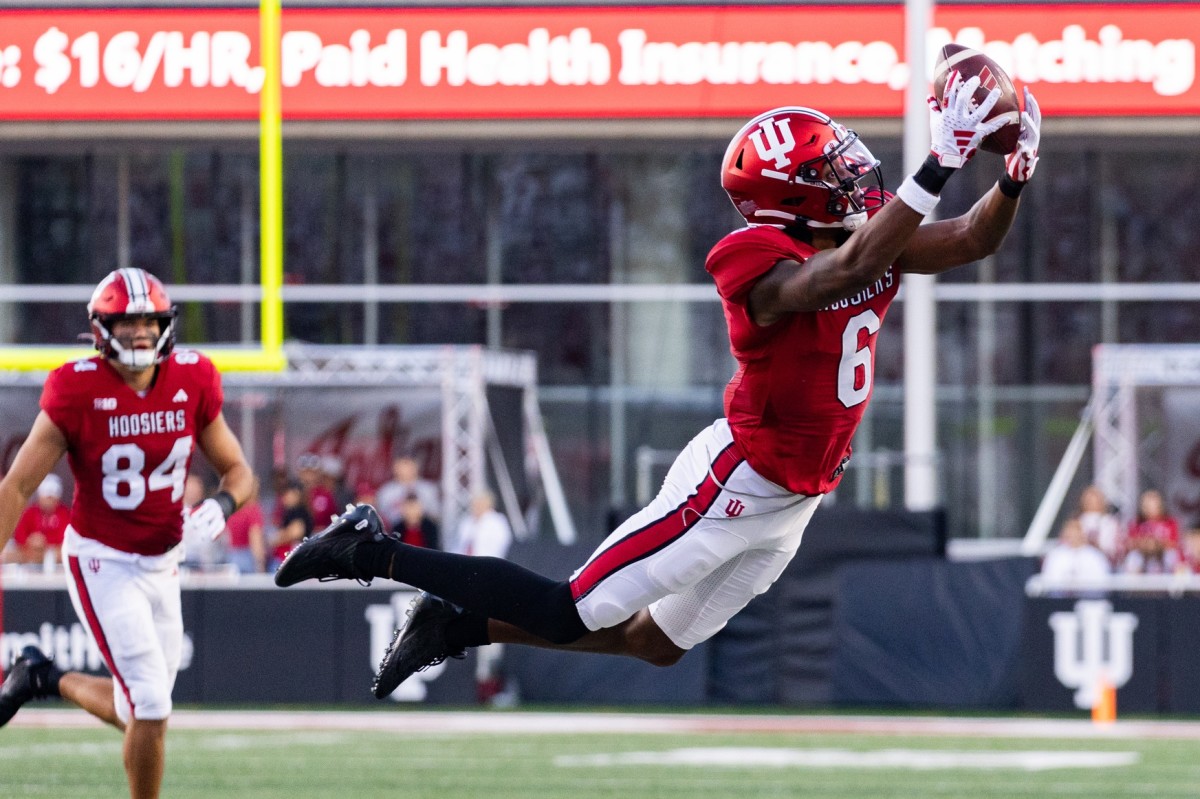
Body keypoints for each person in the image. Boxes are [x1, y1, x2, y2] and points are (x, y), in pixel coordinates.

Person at [276, 75, 1040, 700]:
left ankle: (456, 626)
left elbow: (972, 236)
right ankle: (372, 549)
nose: (851, 175)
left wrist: (1011, 175)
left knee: (656, 643)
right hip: (734, 482)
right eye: (829, 172)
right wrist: (935, 163)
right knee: (567, 608)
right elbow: (840, 274)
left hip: (795, 500)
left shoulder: (865, 238)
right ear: (790, 199)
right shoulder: (758, 261)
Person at [0, 268, 255, 799]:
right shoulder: (76, 388)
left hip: (163, 563)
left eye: (148, 319)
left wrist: (222, 506)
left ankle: (42, 678)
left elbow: (240, 472)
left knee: (135, 707)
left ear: (165, 323)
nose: (139, 331)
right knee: (151, 705)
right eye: (126, 321)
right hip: (102, 559)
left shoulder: (193, 378)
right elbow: (19, 486)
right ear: (101, 329)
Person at [453, 490, 514, 704]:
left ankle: (491, 689)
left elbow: (495, 554)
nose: (475, 506)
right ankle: (472, 688)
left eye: (479, 502)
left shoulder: (496, 523)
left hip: (489, 583)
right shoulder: (467, 523)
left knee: (491, 638)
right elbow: (459, 550)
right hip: (467, 584)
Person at [6, 473, 70, 569]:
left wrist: (45, 543)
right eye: (46, 496)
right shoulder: (30, 512)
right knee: (8, 554)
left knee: (62, 553)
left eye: (51, 497)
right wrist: (30, 541)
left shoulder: (65, 513)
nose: (49, 501)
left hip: (54, 554)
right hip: (29, 553)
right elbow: (19, 536)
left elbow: (67, 539)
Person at [1039, 516, 1111, 597]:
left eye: (1076, 530)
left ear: (1082, 532)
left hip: (1089, 602)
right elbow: (1048, 580)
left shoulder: (1095, 556)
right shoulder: (1055, 555)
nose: (1072, 534)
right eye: (1069, 530)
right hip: (1059, 602)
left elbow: (1103, 583)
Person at [1119, 488, 1181, 574]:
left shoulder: (1169, 522)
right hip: (1142, 554)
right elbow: (1130, 543)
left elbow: (1174, 543)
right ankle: (1133, 586)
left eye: (1154, 504)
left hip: (1162, 554)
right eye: (1148, 504)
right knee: (1133, 557)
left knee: (1172, 557)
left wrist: (1157, 544)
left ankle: (1174, 586)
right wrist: (1145, 544)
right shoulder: (1136, 522)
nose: (1151, 507)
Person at [375, 455, 441, 527]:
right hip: (394, 533)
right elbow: (381, 517)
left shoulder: (428, 489)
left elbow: (437, 514)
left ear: (416, 467)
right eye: (402, 465)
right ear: (395, 468)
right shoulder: (386, 491)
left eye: (409, 465)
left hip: (424, 532)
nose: (405, 469)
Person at [268, 479, 313, 571]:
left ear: (296, 494)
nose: (284, 497)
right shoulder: (291, 511)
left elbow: (297, 532)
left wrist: (277, 538)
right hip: (288, 558)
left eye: (287, 493)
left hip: (290, 558)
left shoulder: (298, 510)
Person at [224, 485, 267, 574]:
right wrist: (261, 568)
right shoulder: (252, 510)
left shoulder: (232, 510)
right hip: (247, 560)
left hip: (231, 558)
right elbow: (255, 539)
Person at [1076, 484, 1121, 564]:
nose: (1091, 503)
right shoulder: (1077, 521)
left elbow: (1113, 548)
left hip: (1102, 561)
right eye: (1089, 500)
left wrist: (1096, 545)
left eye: (1094, 500)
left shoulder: (1109, 522)